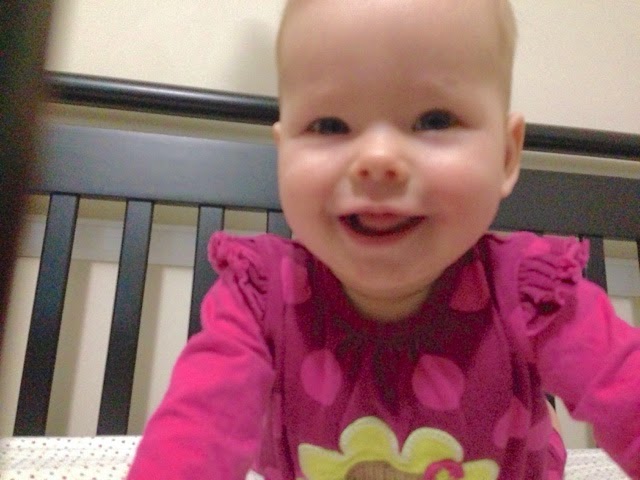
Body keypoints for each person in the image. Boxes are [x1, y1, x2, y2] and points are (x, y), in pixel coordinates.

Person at [127, 1, 640, 478]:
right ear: (283, 154)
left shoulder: (533, 297)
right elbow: (196, 429)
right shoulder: (261, 299)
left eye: (434, 120)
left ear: (506, 156)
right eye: (329, 124)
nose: (377, 158)